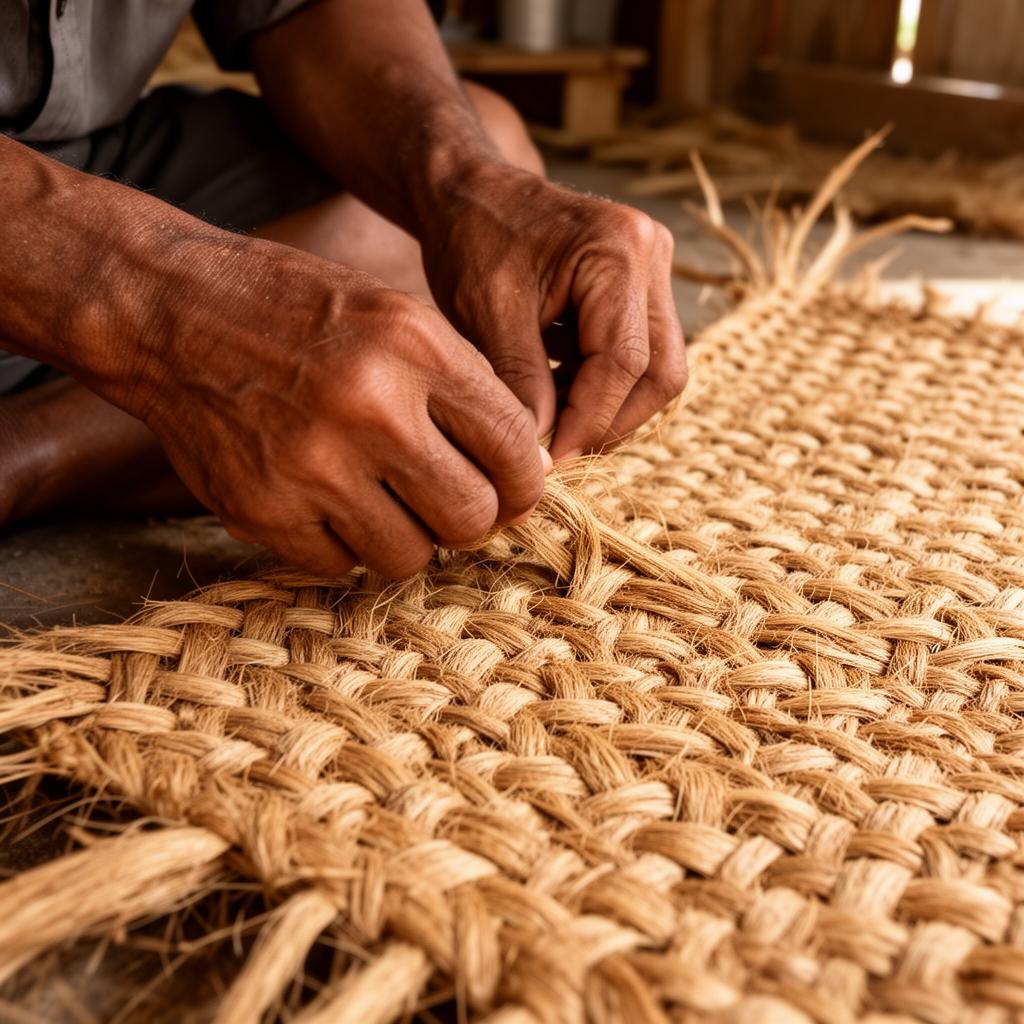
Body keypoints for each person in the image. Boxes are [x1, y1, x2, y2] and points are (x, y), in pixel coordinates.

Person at [0, 0, 687, 577]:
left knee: (491, 150)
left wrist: (466, 183)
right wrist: (163, 302)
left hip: (96, 158)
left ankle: (29, 448)